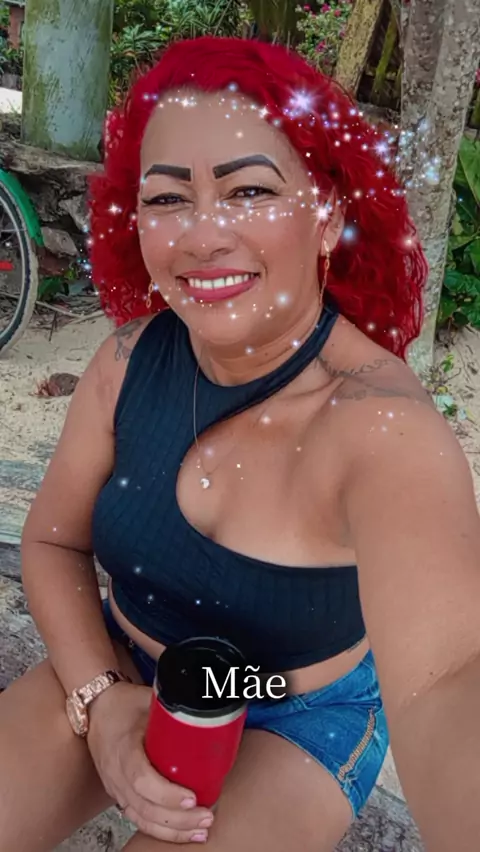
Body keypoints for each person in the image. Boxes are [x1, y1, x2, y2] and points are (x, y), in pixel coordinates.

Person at [0, 34, 479, 852]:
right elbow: (50, 541)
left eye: (249, 190)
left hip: (299, 719)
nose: (203, 235)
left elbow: (449, 680)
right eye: (167, 198)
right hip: (126, 662)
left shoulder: (380, 427)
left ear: (327, 214)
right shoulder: (126, 363)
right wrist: (101, 697)